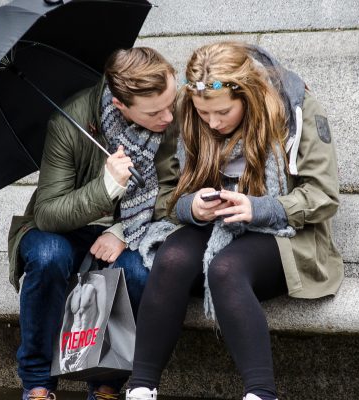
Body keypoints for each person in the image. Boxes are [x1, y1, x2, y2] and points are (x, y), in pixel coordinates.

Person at [126, 42, 343, 400]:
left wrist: (261, 208)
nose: (212, 122)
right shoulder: (189, 114)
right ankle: (140, 388)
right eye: (204, 113)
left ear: (249, 95)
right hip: (212, 226)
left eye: (223, 112)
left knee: (226, 269)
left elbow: (323, 195)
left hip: (285, 231)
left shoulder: (295, 109)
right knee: (173, 258)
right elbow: (166, 194)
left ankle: (260, 394)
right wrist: (190, 208)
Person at [6, 47, 180, 400]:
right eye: (155, 111)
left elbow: (175, 192)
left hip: (133, 229)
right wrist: (107, 188)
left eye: (170, 103)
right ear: (120, 105)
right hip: (60, 230)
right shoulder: (67, 125)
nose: (168, 115)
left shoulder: (172, 123)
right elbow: (48, 213)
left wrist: (121, 231)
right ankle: (37, 382)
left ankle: (106, 384)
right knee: (49, 256)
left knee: (137, 272)